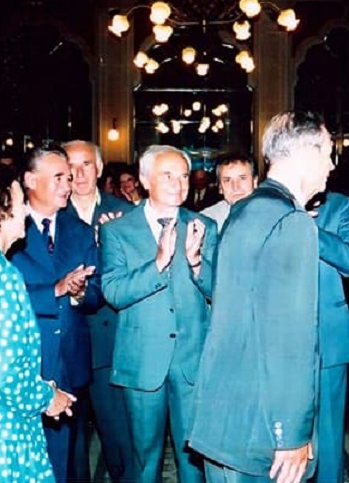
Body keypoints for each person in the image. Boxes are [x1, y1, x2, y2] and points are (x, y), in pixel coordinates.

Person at [189, 110, 335, 483]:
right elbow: (291, 339)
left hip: (226, 417)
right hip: (263, 430)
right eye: (327, 153)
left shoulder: (246, 210)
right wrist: (292, 433)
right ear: (304, 153)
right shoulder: (291, 220)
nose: (331, 165)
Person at [99, 144, 217, 483]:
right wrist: (158, 263)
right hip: (142, 361)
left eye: (184, 176)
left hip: (192, 360)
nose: (179, 184)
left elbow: (220, 291)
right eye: (168, 175)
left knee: (193, 460)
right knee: (144, 459)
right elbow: (114, 292)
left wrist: (196, 263)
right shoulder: (117, 230)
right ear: (145, 178)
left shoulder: (204, 225)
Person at [0, 164, 75, 483]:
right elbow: (8, 377)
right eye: (21, 202)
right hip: (1, 441)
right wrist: (49, 397)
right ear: (2, 209)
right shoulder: (0, 275)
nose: (25, 211)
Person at [9, 144, 103, 483]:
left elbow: (96, 293)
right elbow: (1, 297)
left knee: (69, 462)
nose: (68, 184)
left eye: (69, 177)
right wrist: (55, 290)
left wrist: (79, 293)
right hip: (24, 363)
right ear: (30, 180)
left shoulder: (79, 230)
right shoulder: (7, 228)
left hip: (70, 363)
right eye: (59, 177)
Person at [62, 139, 135, 483]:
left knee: (119, 439)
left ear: (100, 168)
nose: (78, 174)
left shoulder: (124, 213)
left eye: (86, 165)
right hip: (67, 343)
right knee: (71, 445)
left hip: (110, 342)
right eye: (70, 166)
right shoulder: (51, 212)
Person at [306, 190, 349, 483]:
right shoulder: (269, 203)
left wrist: (310, 231)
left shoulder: (338, 205)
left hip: (327, 339)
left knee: (329, 436)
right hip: (277, 340)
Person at [201, 152, 258, 232]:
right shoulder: (206, 221)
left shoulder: (271, 214)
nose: (235, 187)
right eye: (227, 180)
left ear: (255, 181)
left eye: (242, 178)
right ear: (220, 187)